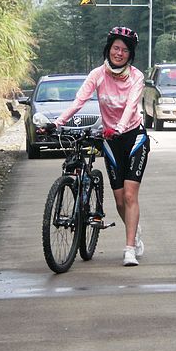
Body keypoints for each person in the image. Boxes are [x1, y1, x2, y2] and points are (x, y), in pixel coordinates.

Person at [50, 26, 149, 266]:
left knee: (129, 194)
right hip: (111, 140)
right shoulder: (98, 74)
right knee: (119, 200)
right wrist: (57, 122)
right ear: (108, 49)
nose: (119, 53)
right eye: (116, 48)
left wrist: (119, 127)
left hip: (133, 137)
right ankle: (134, 230)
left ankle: (129, 249)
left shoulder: (136, 77)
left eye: (124, 50)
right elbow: (79, 101)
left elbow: (131, 106)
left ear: (130, 54)